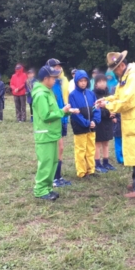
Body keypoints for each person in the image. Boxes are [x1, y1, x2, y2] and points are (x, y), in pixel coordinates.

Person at [97, 51, 135, 198]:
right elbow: (118, 96)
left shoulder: (134, 78)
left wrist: (108, 105)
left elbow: (128, 101)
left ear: (122, 65)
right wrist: (106, 100)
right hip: (132, 121)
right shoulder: (125, 77)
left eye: (115, 69)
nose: (115, 72)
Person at [31, 65, 78, 201]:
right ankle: (40, 190)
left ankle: (47, 188)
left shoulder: (48, 91)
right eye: (53, 78)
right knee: (46, 163)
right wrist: (62, 111)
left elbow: (54, 110)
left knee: (52, 162)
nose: (55, 80)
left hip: (51, 133)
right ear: (46, 79)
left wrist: (65, 110)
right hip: (45, 134)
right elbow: (46, 115)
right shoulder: (40, 94)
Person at [69, 70, 101, 178]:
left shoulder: (91, 93)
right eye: (80, 81)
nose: (83, 83)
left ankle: (91, 170)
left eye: (85, 81)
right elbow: (75, 113)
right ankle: (82, 172)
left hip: (91, 127)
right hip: (80, 127)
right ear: (76, 82)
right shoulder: (72, 95)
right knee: (81, 149)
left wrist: (94, 121)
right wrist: (86, 123)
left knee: (91, 148)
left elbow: (96, 108)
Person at [46, 58, 72, 187]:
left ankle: (58, 177)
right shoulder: (49, 84)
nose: (58, 68)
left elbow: (64, 99)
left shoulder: (62, 81)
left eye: (59, 66)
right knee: (58, 148)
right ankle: (54, 178)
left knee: (60, 149)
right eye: (55, 67)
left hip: (63, 117)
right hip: (55, 119)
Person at [93, 74, 116, 172]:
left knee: (106, 142)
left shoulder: (109, 94)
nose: (102, 83)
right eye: (100, 82)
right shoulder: (93, 95)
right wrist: (107, 114)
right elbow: (95, 109)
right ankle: (97, 163)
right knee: (97, 143)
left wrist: (113, 114)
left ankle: (106, 162)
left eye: (104, 81)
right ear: (96, 84)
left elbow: (113, 105)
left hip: (108, 122)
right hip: (99, 122)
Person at [106, 70, 124, 165]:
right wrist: (113, 116)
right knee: (118, 139)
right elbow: (111, 103)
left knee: (124, 139)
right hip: (117, 118)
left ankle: (125, 157)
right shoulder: (113, 89)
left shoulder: (125, 88)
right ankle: (120, 159)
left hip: (124, 118)